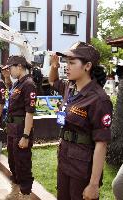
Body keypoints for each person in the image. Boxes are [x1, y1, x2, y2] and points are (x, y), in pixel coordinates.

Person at [48, 42, 113, 200]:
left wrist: (93, 184)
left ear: (87, 66)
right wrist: (54, 66)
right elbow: (52, 81)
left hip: (82, 167)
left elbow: (101, 143)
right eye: (66, 62)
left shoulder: (99, 100)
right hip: (64, 159)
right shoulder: (70, 88)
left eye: (72, 62)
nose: (67, 66)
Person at [3, 56, 36, 200]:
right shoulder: (18, 84)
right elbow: (11, 95)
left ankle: (25, 194)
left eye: (10, 68)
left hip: (21, 130)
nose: (9, 71)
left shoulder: (29, 84)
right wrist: (6, 78)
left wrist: (26, 136)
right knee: (13, 162)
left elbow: (30, 112)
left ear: (20, 67)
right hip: (12, 129)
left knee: (22, 164)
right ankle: (15, 191)